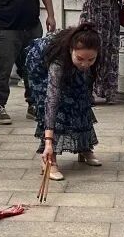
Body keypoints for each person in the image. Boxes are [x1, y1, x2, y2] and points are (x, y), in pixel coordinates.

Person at [25, 23, 102, 181]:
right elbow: (51, 99)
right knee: (58, 105)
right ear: (71, 50)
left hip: (67, 64)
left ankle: (84, 146)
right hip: (40, 67)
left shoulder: (93, 53)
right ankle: (49, 158)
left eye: (91, 59)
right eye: (80, 58)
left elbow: (87, 87)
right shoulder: (58, 60)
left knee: (81, 99)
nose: (85, 64)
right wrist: (48, 142)